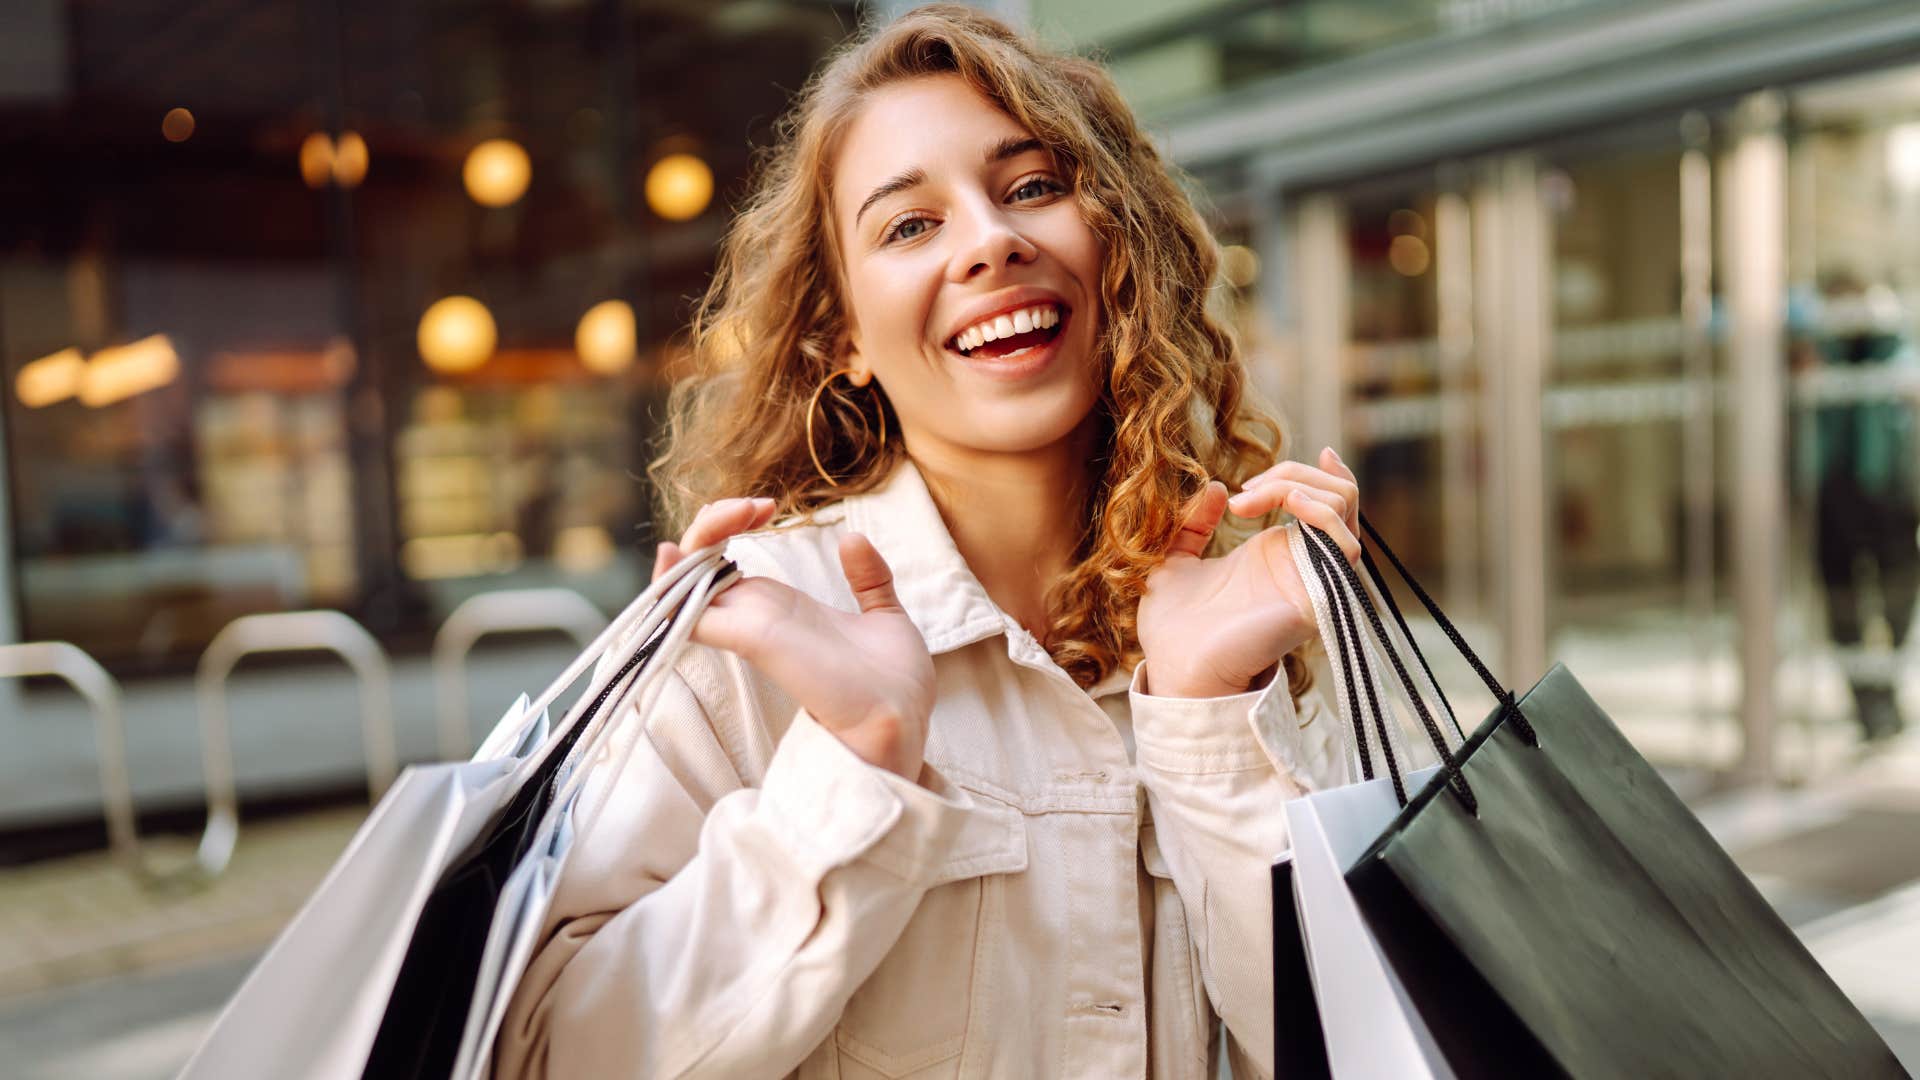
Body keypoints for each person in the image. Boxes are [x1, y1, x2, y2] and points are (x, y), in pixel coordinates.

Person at [496, 7, 1364, 1077]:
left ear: (1119, 249)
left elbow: (1362, 1043)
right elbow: (551, 1057)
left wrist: (1203, 716)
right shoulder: (753, 635)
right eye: (908, 226)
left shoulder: (1232, 627)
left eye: (1032, 187)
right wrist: (854, 764)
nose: (991, 241)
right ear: (842, 336)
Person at [1802, 271, 1919, 744]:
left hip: (1889, 494)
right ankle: (1869, 704)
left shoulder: (1895, 348)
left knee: (1897, 596)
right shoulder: (1818, 354)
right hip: (1834, 495)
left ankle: (1885, 687)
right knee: (1842, 603)